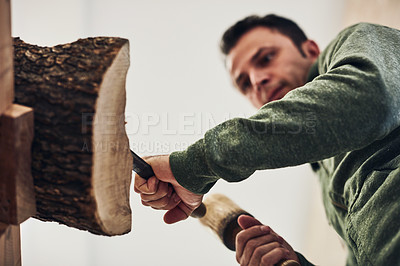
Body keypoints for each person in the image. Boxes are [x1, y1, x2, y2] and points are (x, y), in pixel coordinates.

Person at [134, 14, 400, 265]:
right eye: (245, 84)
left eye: (266, 58)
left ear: (310, 50)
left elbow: (371, 100)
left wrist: (195, 164)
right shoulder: (326, 177)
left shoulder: (356, 42)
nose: (257, 80)